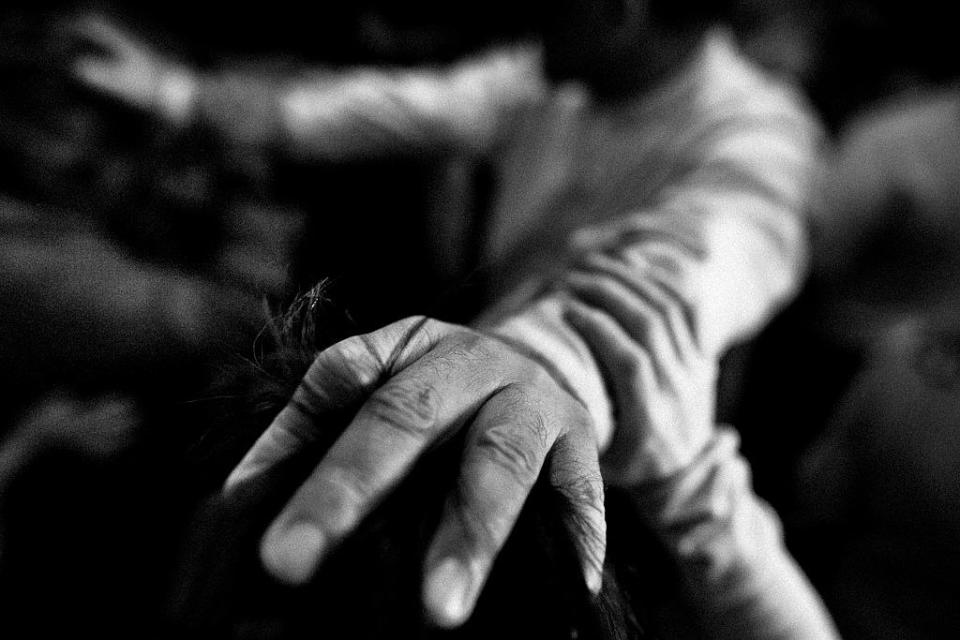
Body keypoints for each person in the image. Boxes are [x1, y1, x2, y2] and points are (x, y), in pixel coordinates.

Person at [71, 0, 824, 627]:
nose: (523, 16)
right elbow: (408, 108)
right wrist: (186, 96)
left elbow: (691, 269)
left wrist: (552, 362)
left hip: (624, 492)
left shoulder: (762, 144)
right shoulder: (558, 74)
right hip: (467, 390)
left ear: (622, 13)